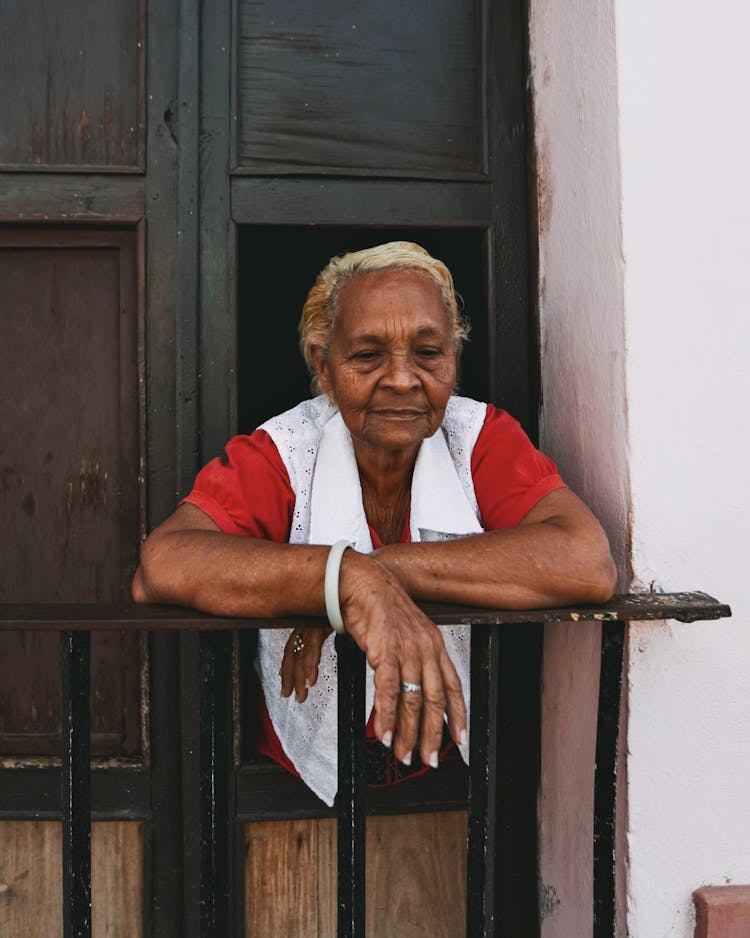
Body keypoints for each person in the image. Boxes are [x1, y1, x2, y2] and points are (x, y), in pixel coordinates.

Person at [132, 241, 616, 805]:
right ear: (324, 367)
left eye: (429, 352)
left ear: (454, 359)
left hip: (443, 769)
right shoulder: (285, 452)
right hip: (291, 783)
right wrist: (347, 581)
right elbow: (163, 564)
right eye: (367, 356)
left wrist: (374, 572)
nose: (403, 379)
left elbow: (586, 560)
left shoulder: (479, 437)